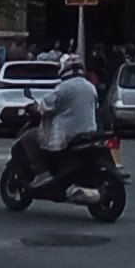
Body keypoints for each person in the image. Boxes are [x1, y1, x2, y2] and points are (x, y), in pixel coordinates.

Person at [18, 54, 101, 186]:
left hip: (65, 135)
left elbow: (43, 109)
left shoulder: (63, 88)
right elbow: (95, 106)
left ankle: (42, 173)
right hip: (88, 132)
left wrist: (32, 108)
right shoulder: (90, 87)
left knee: (28, 138)